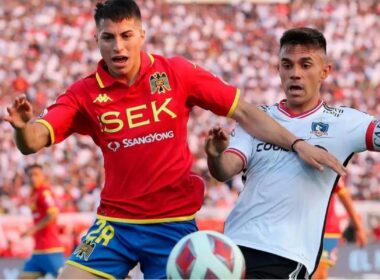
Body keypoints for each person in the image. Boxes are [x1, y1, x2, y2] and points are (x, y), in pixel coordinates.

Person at [4, 0, 345, 277]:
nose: (118, 45)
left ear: (142, 35)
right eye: (108, 37)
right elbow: (33, 141)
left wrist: (297, 144)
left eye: (126, 35)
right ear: (97, 41)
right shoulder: (84, 93)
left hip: (172, 226)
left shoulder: (176, 73)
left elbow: (245, 112)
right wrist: (21, 127)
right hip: (114, 225)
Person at [205, 27, 380, 279]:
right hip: (233, 246)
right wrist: (214, 155)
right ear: (278, 70)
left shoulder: (345, 122)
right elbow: (224, 170)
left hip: (285, 255)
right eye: (287, 65)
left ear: (325, 72)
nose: (295, 74)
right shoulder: (256, 118)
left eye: (305, 65)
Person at [312, 178, 367, 279]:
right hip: (303, 228)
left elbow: (343, 193)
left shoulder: (328, 166)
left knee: (319, 273)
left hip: (327, 230)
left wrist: (359, 227)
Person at [19, 164, 65, 279]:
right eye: (30, 175)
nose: (33, 178)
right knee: (23, 278)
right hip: (38, 252)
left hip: (51, 250)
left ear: (43, 176)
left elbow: (53, 214)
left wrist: (32, 229)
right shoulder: (34, 193)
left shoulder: (45, 192)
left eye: (36, 175)